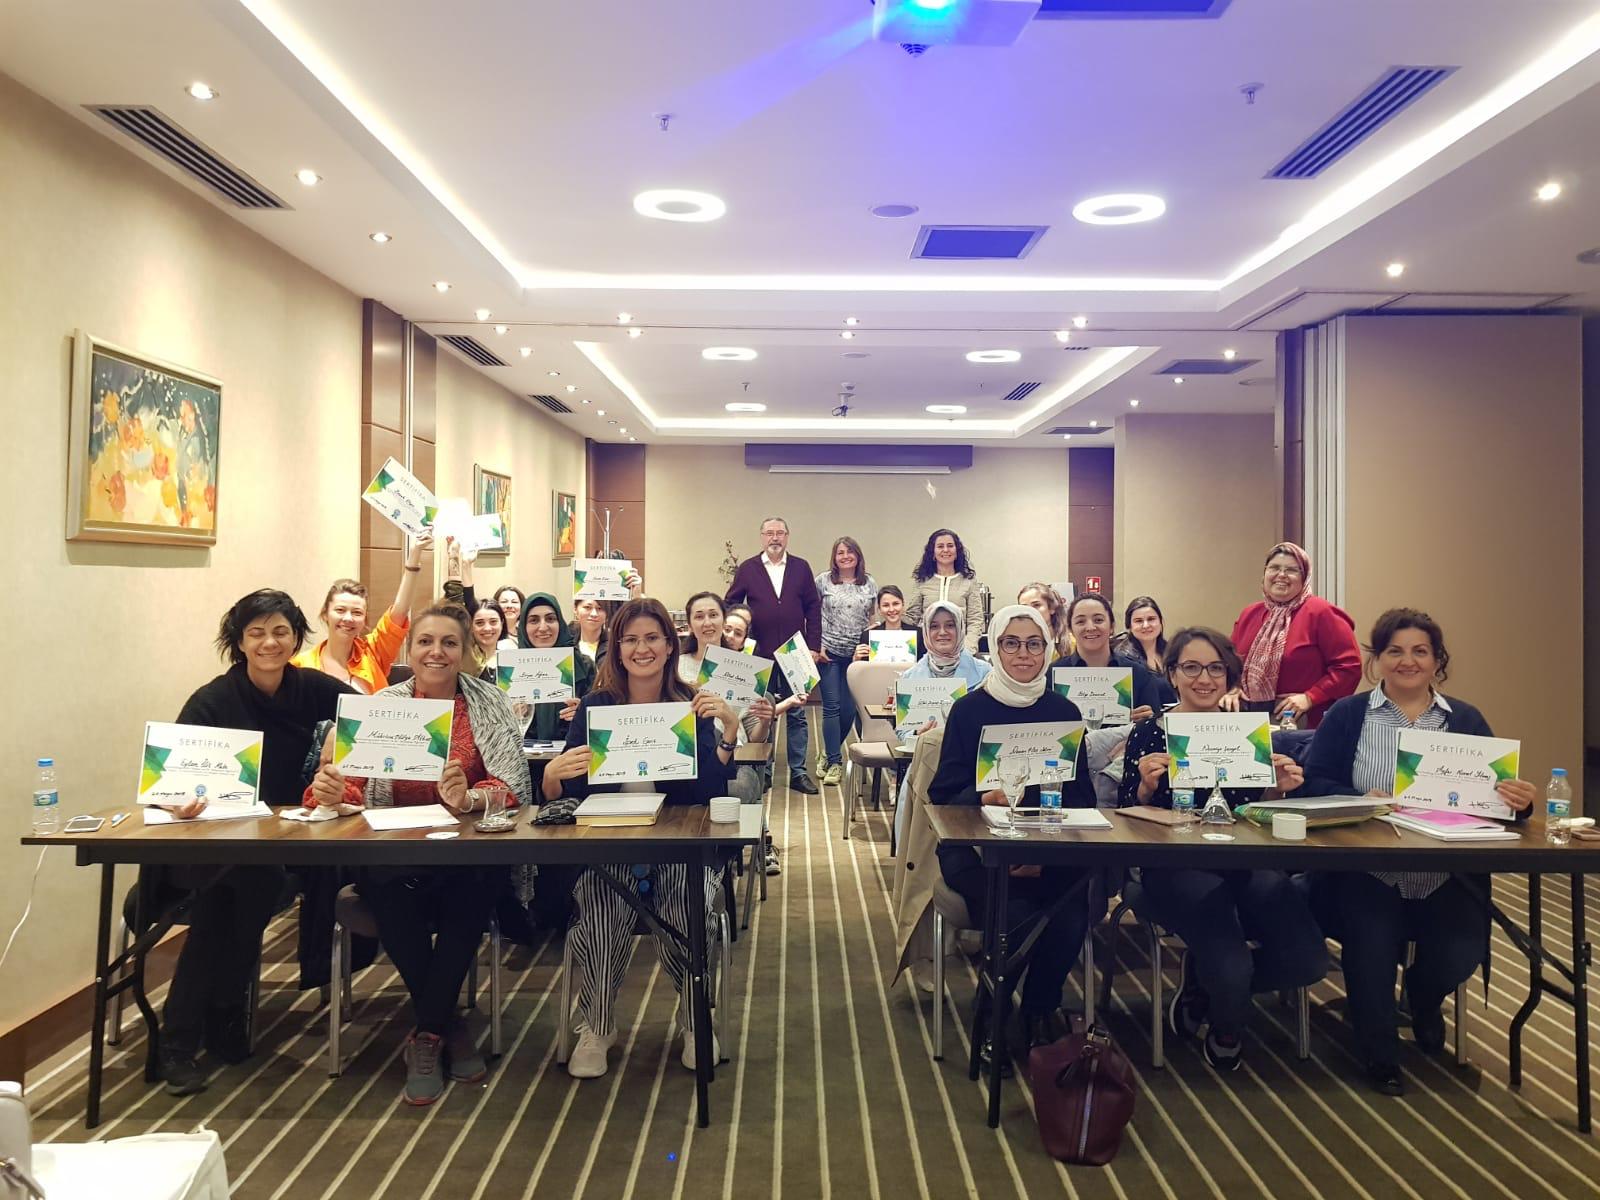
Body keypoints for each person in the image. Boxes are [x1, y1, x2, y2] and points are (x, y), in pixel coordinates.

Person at [1298, 608, 1535, 1095]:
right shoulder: (1349, 715)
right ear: (1378, 659)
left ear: (1436, 660)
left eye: (1420, 651)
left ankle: (1422, 1000)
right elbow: (1312, 783)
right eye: (1395, 651)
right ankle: (1379, 1056)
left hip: (1446, 872)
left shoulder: (1464, 719)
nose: (1408, 661)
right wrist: (1357, 798)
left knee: (1459, 953)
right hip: (1366, 869)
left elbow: (1498, 799)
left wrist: (1520, 802)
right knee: (1371, 949)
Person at [307, 604, 533, 1106]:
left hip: (466, 853)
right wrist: (332, 790)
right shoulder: (380, 706)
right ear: (410, 650)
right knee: (385, 880)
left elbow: (514, 786)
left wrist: (470, 797)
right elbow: (346, 786)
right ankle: (445, 1026)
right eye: (426, 641)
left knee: (476, 885)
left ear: (466, 651)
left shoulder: (490, 704)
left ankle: (428, 1032)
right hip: (393, 852)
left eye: (449, 643)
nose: (437, 652)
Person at [156, 589, 353, 1094]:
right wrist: (180, 801)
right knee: (230, 891)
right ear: (239, 642)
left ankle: (191, 1031)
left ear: (296, 638)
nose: (270, 642)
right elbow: (168, 781)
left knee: (248, 884)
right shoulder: (212, 700)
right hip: (211, 843)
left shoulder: (313, 688)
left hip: (283, 842)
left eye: (281, 631)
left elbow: (369, 719)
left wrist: (338, 750)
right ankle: (202, 1025)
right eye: (257, 633)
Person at [1118, 626, 1325, 1074]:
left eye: (1215, 668)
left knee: (1308, 959)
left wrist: (1277, 789)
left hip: (1246, 861)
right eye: (1191, 667)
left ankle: (1200, 985)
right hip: (1175, 866)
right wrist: (1145, 788)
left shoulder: (1249, 734)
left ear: (1229, 676)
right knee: (1231, 967)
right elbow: (1125, 813)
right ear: (1172, 674)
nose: (1204, 679)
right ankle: (1227, 1023)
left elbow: (1253, 810)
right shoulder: (1150, 733)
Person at [547, 598, 738, 1079]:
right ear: (617, 648)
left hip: (678, 846)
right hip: (608, 845)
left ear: (670, 645)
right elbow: (567, 791)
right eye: (630, 639)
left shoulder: (690, 704)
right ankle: (597, 1025)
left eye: (652, 638)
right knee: (600, 909)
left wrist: (729, 734)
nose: (641, 648)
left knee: (686, 907)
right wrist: (550, 776)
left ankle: (695, 1020)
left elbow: (709, 792)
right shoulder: (595, 707)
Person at [929, 606, 1101, 1055]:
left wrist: (1041, 853)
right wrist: (983, 796)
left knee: (1071, 915)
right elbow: (943, 796)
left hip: (1050, 846)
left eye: (1033, 644)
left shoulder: (1063, 711)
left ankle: (1039, 1008)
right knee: (1016, 913)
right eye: (1011, 643)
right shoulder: (969, 711)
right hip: (978, 850)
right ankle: (993, 1014)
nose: (1023, 653)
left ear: (1047, 649)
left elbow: (1081, 797)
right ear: (996, 647)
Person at [724, 515, 824, 794]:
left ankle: (799, 772)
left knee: (798, 713)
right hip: (759, 654)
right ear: (762, 537)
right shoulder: (748, 568)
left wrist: (814, 646)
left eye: (780, 533)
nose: (775, 538)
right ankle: (764, 770)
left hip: (795, 653)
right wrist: (742, 633)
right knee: (761, 713)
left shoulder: (801, 567)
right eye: (769, 533)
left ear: (787, 537)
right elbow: (731, 603)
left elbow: (813, 608)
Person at [1223, 541, 1360, 729]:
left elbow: (1349, 668)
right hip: (1249, 723)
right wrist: (1232, 689)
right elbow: (1229, 663)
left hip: (1305, 723)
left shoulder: (1321, 612)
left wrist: (1310, 697)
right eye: (1274, 568)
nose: (1281, 575)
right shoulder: (1249, 614)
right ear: (1264, 574)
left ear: (1304, 578)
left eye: (1291, 570)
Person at [293, 534, 431, 692]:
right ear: (325, 614)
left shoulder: (373, 652)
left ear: (365, 619)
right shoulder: (301, 665)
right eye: (340, 610)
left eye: (357, 613)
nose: (348, 618)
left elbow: (400, 611)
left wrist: (414, 557)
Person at [814, 536, 877, 786]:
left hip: (856, 657)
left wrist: (871, 648)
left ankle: (827, 752)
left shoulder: (869, 582)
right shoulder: (823, 581)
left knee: (849, 710)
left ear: (858, 556)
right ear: (834, 557)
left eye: (850, 552)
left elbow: (871, 618)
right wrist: (817, 645)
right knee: (832, 707)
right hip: (828, 652)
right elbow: (812, 614)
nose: (845, 556)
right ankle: (835, 762)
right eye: (840, 552)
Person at [1055, 593, 1162, 722]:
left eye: (1098, 620)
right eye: (1080, 621)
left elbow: (1155, 725)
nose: (1090, 627)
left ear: (1112, 626)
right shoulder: (1054, 674)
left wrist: (1147, 720)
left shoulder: (1138, 674)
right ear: (1070, 629)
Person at [518, 592, 594, 745]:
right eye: (533, 620)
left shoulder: (583, 665)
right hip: (523, 757)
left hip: (573, 753)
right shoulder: (510, 668)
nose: (543, 627)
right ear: (523, 628)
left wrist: (584, 714)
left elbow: (601, 723)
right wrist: (507, 716)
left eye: (550, 619)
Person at [904, 529, 985, 653]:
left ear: (957, 551)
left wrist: (968, 650)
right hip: (928, 651)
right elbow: (912, 618)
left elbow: (975, 619)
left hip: (960, 650)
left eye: (950, 546)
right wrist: (885, 622)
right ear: (933, 552)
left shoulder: (969, 581)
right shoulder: (922, 581)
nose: (946, 550)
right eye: (940, 546)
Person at [1112, 595, 1177, 708]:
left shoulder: (1172, 651)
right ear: (1129, 626)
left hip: (1174, 715)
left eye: (1151, 619)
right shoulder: (1122, 658)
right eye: (1138, 621)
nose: (1146, 625)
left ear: (1160, 622)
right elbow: (1122, 702)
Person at [571, 570, 644, 662]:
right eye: (587, 607)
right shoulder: (565, 641)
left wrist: (636, 597)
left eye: (600, 608)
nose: (594, 614)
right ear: (575, 609)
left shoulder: (616, 643)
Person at [853, 585, 911, 660]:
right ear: (879, 609)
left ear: (903, 605)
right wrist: (856, 659)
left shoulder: (918, 634)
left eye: (896, 604)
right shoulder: (868, 636)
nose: (891, 609)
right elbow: (862, 666)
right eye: (886, 605)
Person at [1018, 582, 1072, 659]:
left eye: (1036, 605)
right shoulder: (1017, 644)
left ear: (1052, 608)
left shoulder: (1073, 643)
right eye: (1025, 608)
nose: (1030, 611)